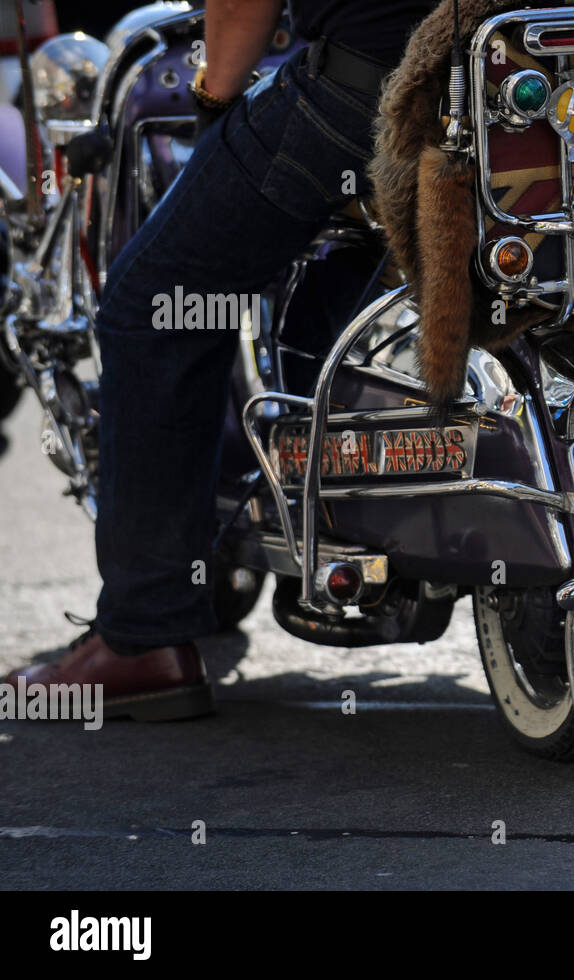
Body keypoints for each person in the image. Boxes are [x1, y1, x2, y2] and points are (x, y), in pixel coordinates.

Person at [3, 0, 436, 720]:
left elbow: (240, 10)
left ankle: (144, 635)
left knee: (149, 307)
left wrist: (215, 96)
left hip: (376, 97)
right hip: (552, 87)